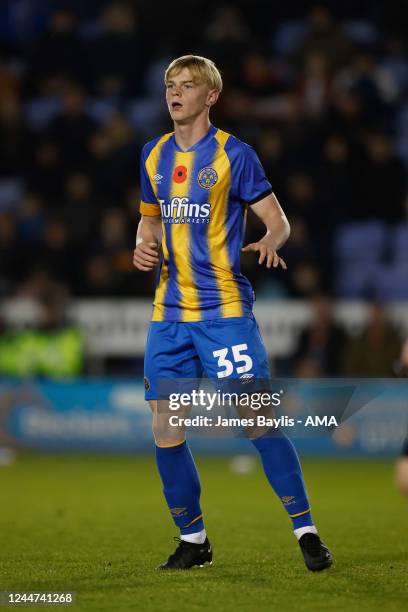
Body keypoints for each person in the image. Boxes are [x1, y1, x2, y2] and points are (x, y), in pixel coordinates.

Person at [133, 55, 332, 572]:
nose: (175, 93)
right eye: (170, 85)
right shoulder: (152, 155)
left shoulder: (234, 155)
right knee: (166, 429)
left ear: (211, 96)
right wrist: (142, 245)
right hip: (169, 315)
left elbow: (278, 220)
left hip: (224, 313)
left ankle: (306, 531)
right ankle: (193, 540)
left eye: (187, 86)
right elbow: (149, 222)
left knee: (257, 419)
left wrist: (270, 239)